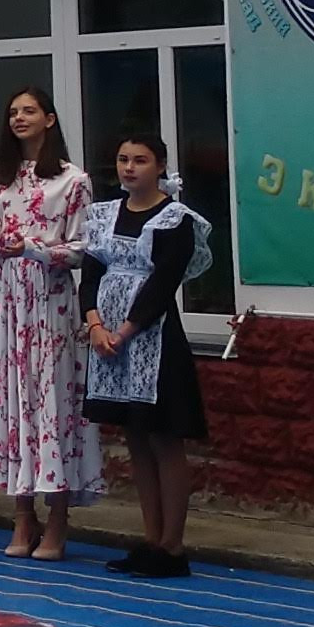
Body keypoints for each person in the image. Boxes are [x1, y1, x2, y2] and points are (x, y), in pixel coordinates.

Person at [0, 85, 96, 561]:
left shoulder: (73, 181)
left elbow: (84, 248)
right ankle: (22, 515)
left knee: (53, 404)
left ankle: (59, 517)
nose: (19, 118)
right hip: (7, 306)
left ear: (50, 119)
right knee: (13, 403)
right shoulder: (1, 181)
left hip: (51, 306)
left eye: (29, 111)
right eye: (13, 111)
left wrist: (36, 250)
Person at [79, 134, 210, 581]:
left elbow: (162, 285)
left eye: (140, 160)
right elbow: (91, 273)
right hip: (109, 342)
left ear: (159, 167)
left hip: (154, 340)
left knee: (163, 436)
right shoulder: (102, 217)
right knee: (135, 435)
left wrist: (126, 329)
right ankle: (151, 538)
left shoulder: (176, 220)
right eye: (122, 159)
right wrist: (95, 325)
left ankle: (172, 544)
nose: (129, 168)